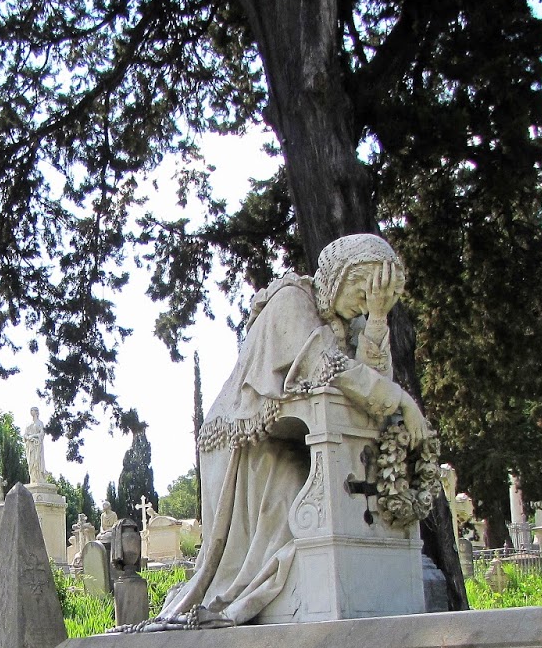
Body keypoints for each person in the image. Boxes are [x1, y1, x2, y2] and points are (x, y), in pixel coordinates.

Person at [158, 233, 429, 626]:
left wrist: (377, 320)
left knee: (319, 487)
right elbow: (325, 366)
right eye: (362, 289)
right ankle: (252, 594)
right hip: (244, 441)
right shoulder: (291, 301)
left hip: (286, 435)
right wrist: (401, 398)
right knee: (292, 487)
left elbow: (369, 383)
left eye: (376, 296)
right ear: (338, 276)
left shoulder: (343, 323)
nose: (364, 302)